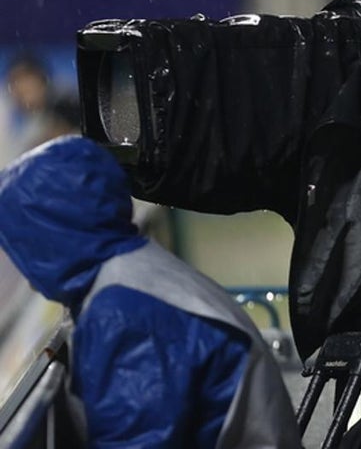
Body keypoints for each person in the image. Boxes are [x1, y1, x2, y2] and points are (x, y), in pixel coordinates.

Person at [0, 135, 302, 448]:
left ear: (49, 240)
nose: (24, 269)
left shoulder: (124, 314)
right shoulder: (134, 272)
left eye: (21, 246)